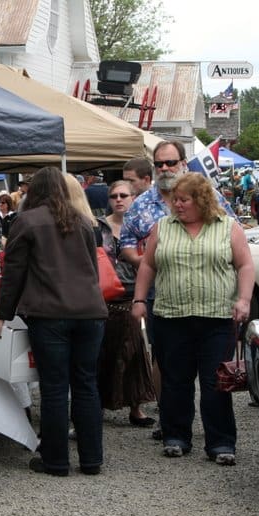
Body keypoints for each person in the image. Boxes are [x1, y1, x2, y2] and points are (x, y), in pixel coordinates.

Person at [0, 166, 107, 477]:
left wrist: (2, 314)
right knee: (86, 385)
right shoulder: (82, 221)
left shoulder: (26, 221)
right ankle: (91, 459)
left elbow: (13, 274)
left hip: (50, 313)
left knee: (54, 387)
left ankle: (55, 461)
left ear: (34, 191)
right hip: (90, 312)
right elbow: (92, 271)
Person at [131, 172, 253, 466]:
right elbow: (148, 265)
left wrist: (244, 299)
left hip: (217, 317)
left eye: (183, 200)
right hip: (172, 316)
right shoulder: (163, 227)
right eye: (174, 200)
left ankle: (221, 443)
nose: (177, 205)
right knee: (175, 380)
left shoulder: (228, 227)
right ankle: (176, 436)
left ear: (201, 200)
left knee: (215, 382)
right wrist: (139, 300)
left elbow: (245, 265)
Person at [96, 181, 156, 425]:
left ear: (133, 197)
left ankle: (135, 406)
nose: (118, 199)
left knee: (133, 351)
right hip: (104, 295)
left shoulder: (143, 225)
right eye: (114, 196)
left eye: (123, 195)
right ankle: (98, 406)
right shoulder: (98, 226)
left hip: (133, 292)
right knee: (102, 352)